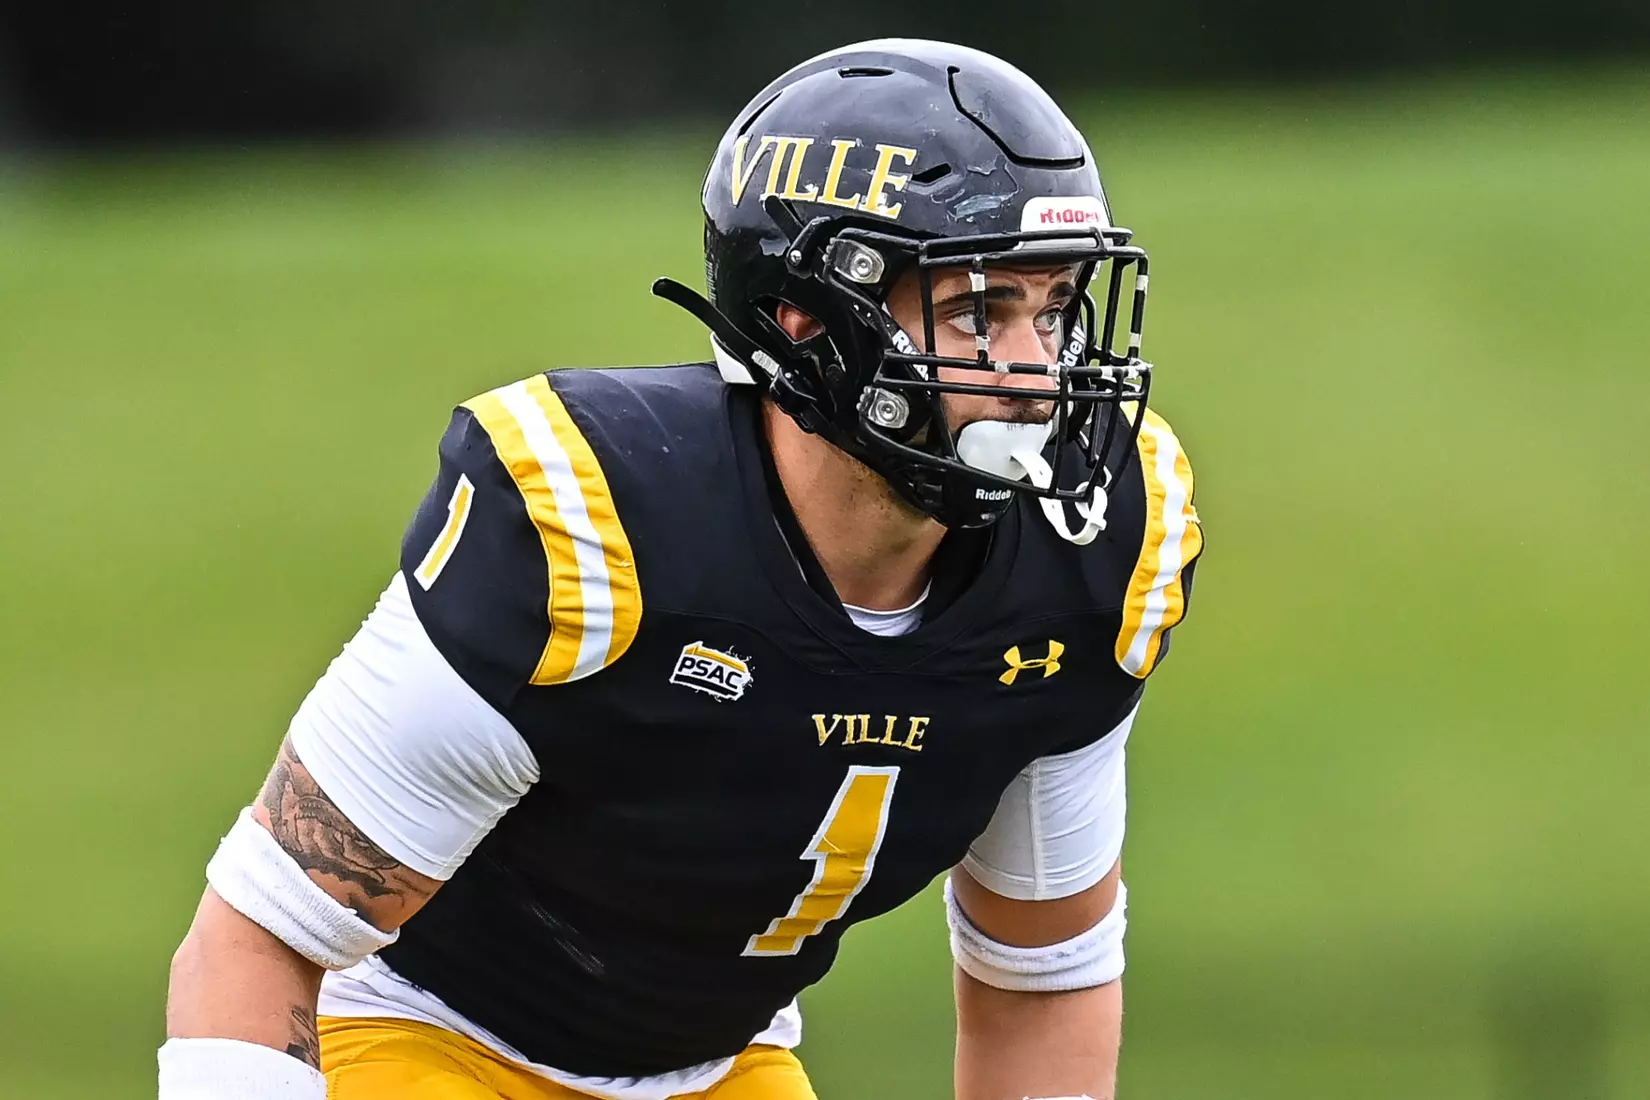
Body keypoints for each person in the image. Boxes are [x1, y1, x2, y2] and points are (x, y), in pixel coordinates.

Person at [161, 37, 1202, 1100]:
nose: (1038, 372)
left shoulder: (1091, 552)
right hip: (420, 1036)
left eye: (1057, 307)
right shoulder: (597, 525)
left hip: (714, 1069)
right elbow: (254, 938)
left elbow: (1044, 968)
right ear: (811, 320)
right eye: (981, 311)